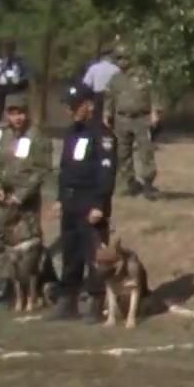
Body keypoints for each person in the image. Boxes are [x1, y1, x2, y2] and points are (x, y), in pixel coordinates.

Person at [52, 84, 117, 322]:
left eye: (74, 106)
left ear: (88, 105)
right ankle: (67, 299)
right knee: (71, 252)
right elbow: (65, 168)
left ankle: (95, 301)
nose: (71, 111)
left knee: (94, 255)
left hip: (91, 202)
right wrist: (60, 198)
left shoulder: (103, 135)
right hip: (71, 200)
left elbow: (106, 172)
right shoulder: (72, 132)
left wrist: (100, 204)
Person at [0, 97, 53, 305]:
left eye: (21, 113)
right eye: (13, 113)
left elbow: (43, 170)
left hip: (25, 201)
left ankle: (33, 287)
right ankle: (2, 284)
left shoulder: (37, 136)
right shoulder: (4, 135)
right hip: (4, 199)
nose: (17, 118)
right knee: (0, 239)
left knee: (29, 244)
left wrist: (21, 195)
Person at [104, 47, 163, 199]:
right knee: (122, 154)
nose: (122, 61)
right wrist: (106, 114)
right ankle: (131, 183)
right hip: (122, 119)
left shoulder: (143, 75)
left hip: (141, 119)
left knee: (146, 152)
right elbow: (109, 98)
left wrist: (155, 112)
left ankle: (148, 184)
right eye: (119, 58)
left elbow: (154, 93)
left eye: (125, 57)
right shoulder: (115, 79)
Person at [0, 39, 30, 137]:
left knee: (16, 108)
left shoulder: (19, 61)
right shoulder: (0, 61)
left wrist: (20, 80)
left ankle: (20, 128)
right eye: (6, 49)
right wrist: (2, 68)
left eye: (10, 49)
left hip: (15, 87)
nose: (8, 51)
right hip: (2, 86)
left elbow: (25, 74)